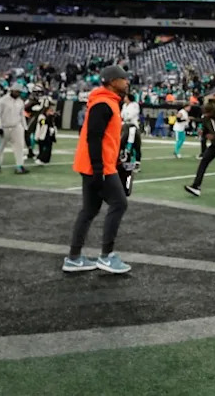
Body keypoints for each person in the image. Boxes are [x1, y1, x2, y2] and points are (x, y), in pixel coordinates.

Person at [65, 65, 131, 274]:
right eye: (123, 78)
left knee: (90, 209)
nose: (127, 82)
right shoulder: (103, 103)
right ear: (112, 81)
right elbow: (93, 136)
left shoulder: (107, 102)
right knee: (119, 204)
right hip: (98, 165)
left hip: (96, 164)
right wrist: (98, 168)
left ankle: (73, 258)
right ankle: (106, 256)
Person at [0, 83, 29, 175]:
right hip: (4, 127)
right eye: (17, 91)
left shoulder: (20, 102)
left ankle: (19, 166)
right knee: (0, 147)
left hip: (16, 127)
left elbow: (22, 115)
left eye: (19, 92)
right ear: (12, 90)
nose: (18, 93)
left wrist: (25, 127)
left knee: (20, 146)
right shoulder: (3, 100)